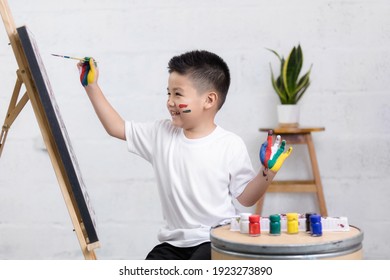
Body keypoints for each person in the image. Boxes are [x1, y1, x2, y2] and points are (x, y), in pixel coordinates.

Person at [78, 50, 292, 260]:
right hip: (172, 245)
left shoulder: (229, 144)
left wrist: (268, 171)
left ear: (209, 100)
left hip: (215, 239)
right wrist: (92, 86)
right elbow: (116, 127)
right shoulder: (160, 134)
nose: (170, 101)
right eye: (168, 93)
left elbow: (246, 198)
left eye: (178, 94)